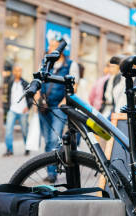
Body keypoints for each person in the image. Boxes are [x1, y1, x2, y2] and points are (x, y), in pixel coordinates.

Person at [37, 37, 78, 183]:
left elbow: (75, 86)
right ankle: (51, 170)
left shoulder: (71, 65)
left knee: (54, 138)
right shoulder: (45, 62)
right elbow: (39, 81)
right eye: (49, 46)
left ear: (61, 48)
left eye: (53, 46)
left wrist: (63, 103)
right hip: (44, 106)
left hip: (58, 107)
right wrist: (38, 96)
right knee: (48, 140)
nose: (50, 48)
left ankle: (53, 173)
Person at [3, 66, 32, 156]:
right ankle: (9, 150)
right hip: (12, 110)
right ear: (13, 72)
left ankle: (27, 147)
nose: (17, 72)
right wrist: (7, 107)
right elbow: (8, 96)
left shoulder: (25, 83)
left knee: (24, 131)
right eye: (16, 71)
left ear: (21, 72)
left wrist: (28, 107)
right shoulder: (10, 82)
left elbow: (31, 96)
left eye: (19, 70)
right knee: (8, 130)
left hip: (23, 111)